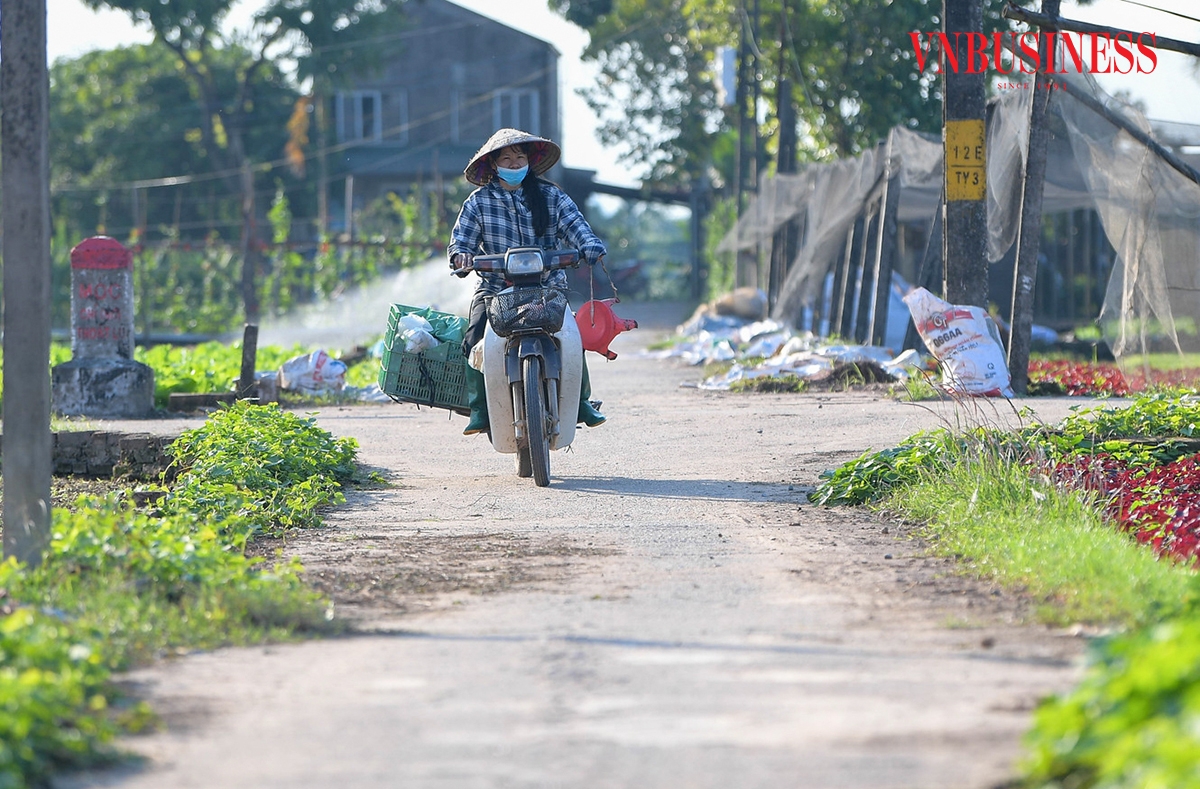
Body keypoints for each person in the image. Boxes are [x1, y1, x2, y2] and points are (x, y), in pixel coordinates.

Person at [448, 128, 607, 437]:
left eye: (519, 157)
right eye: (506, 158)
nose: (514, 163)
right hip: (496, 290)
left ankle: (581, 402)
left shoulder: (551, 196)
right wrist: (460, 257)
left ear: (529, 161)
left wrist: (590, 246)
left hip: (547, 288)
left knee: (571, 336)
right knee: (474, 337)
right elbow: (460, 243)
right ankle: (480, 408)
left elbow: (576, 226)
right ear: (493, 164)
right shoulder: (477, 202)